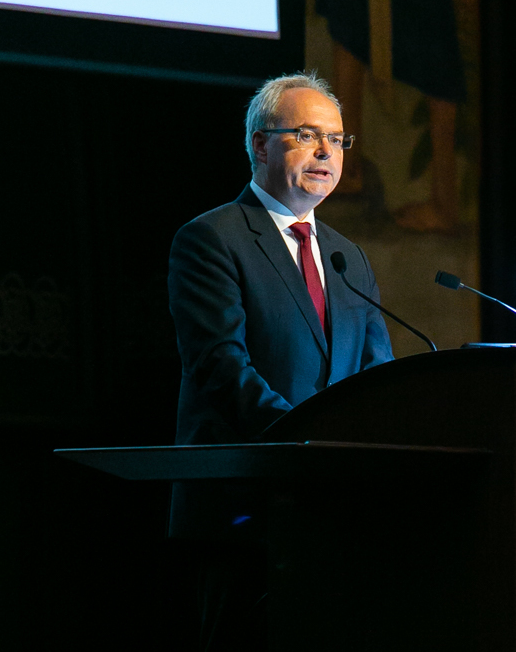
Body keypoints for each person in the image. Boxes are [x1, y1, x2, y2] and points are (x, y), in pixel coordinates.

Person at [167, 72, 395, 650]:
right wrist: (307, 444)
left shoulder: (348, 257)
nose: (325, 152)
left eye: (337, 140)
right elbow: (222, 369)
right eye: (306, 135)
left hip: (335, 519)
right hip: (243, 518)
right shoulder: (211, 240)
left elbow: (376, 379)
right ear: (260, 145)